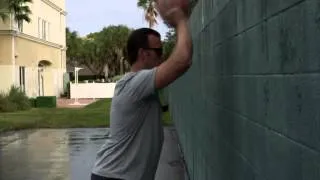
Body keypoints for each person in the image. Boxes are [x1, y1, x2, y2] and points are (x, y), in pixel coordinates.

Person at [90, 5, 193, 180]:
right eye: (159, 52)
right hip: (115, 177)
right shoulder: (135, 82)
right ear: (144, 54)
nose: (163, 57)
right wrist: (180, 19)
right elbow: (182, 61)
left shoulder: (140, 84)